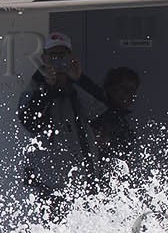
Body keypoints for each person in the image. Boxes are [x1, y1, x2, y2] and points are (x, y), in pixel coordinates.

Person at [17, 32, 108, 218]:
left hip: (84, 182)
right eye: (53, 56)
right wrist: (48, 88)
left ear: (70, 57)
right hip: (49, 187)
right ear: (44, 58)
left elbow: (103, 111)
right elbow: (29, 121)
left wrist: (79, 79)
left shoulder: (79, 86)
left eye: (62, 56)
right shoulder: (35, 88)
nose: (58, 62)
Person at [88, 66, 143, 178]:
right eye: (124, 89)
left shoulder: (121, 121)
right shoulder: (97, 111)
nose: (129, 94)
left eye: (133, 90)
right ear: (110, 88)